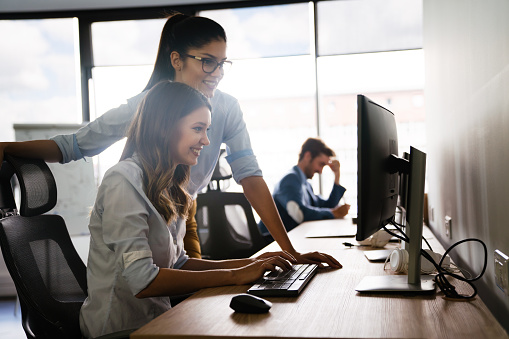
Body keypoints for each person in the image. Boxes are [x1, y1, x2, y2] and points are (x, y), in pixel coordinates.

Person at [0, 12, 340, 267]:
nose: (217, 73)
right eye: (207, 62)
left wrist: (290, 252)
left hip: (184, 212)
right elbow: (73, 146)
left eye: (222, 64)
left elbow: (249, 176)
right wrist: (6, 150)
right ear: (176, 60)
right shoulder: (146, 106)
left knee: (195, 298)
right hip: (142, 216)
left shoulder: (227, 108)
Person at [80, 81, 295, 338]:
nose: (206, 140)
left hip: (158, 322)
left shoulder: (170, 184)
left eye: (207, 130)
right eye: (197, 129)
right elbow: (143, 279)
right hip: (119, 330)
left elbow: (179, 263)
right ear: (165, 128)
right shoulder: (123, 181)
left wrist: (251, 263)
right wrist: (235, 275)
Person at [258, 138, 350, 241]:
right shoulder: (290, 179)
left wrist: (337, 175)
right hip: (271, 242)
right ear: (308, 156)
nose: (320, 171)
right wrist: (333, 213)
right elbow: (299, 214)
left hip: (292, 238)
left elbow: (327, 206)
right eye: (321, 164)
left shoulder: (305, 184)